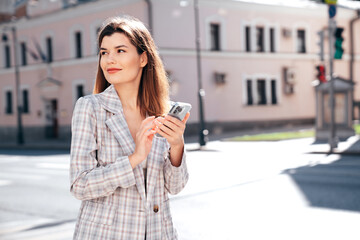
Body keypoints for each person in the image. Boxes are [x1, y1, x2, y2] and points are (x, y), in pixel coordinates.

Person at [70, 16, 189, 240]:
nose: (109, 60)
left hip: (158, 233)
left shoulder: (164, 111)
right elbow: (80, 185)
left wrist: (177, 146)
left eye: (120, 51)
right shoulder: (90, 108)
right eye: (104, 52)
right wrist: (135, 158)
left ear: (143, 58)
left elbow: (175, 187)